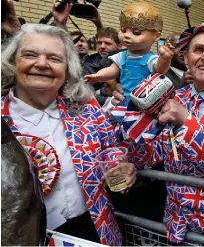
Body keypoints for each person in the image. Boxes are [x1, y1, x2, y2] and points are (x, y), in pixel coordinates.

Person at [111, 22, 204, 245]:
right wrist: (135, 126)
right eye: (199, 50)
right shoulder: (173, 97)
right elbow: (150, 156)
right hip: (177, 227)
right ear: (186, 59)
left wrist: (185, 121)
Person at [1, 23, 136, 245]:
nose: (42, 64)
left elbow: (113, 150)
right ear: (12, 62)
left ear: (67, 70)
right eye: (30, 55)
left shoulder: (87, 111)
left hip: (95, 231)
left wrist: (126, 167)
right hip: (26, 238)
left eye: (54, 59)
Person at [84, 2, 175, 99]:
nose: (127, 35)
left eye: (136, 33)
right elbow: (112, 70)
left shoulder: (150, 59)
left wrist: (165, 59)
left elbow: (160, 69)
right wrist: (98, 76)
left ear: (156, 36)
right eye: (123, 30)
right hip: (124, 98)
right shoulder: (121, 56)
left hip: (144, 100)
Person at [82, 27, 122, 106]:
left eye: (107, 43)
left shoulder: (127, 62)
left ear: (119, 46)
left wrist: (101, 91)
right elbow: (85, 94)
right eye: (99, 43)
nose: (102, 46)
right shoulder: (87, 65)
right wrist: (109, 102)